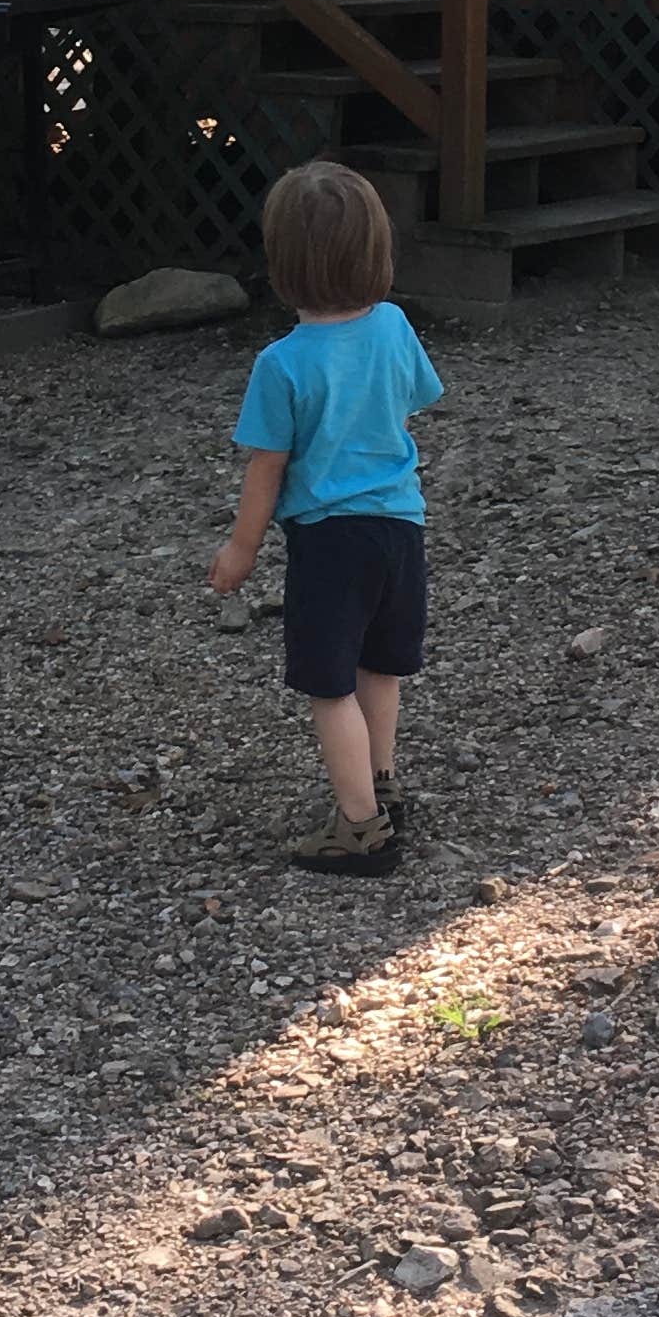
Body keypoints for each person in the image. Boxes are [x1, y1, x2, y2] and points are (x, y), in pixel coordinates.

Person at [210, 158, 444, 878]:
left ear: (283, 261)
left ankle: (361, 826)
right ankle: (382, 779)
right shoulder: (395, 326)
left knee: (328, 683)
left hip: (330, 541)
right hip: (401, 526)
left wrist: (241, 548)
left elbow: (267, 466)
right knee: (381, 665)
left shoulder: (281, 364)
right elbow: (416, 399)